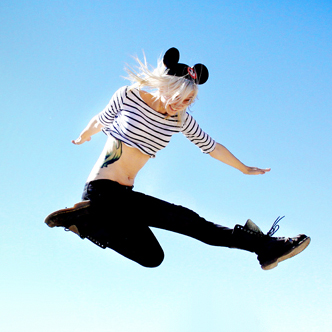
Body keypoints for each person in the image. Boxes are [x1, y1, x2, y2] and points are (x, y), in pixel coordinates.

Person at [45, 47, 310, 270]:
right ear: (165, 85)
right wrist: (84, 135)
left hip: (125, 197)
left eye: (188, 100)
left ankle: (266, 249)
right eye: (176, 96)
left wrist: (243, 168)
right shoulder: (128, 96)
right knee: (192, 224)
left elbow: (211, 145)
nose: (179, 104)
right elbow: (100, 120)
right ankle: (84, 219)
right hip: (102, 192)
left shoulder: (180, 119)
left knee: (153, 257)